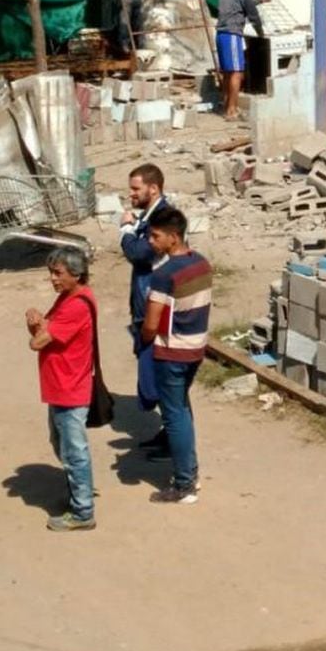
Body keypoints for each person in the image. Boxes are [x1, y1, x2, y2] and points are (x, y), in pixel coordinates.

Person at [140, 208, 212, 505]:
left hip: (172, 351)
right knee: (181, 408)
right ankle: (189, 470)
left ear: (173, 236)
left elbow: (151, 324)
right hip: (196, 346)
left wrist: (144, 340)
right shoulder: (202, 263)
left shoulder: (163, 275)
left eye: (156, 236)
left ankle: (184, 483)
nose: (152, 242)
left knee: (174, 415)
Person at [24, 249, 98, 532]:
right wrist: (38, 324)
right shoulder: (68, 299)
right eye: (52, 272)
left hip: (69, 388)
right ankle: (78, 495)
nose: (52, 278)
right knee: (62, 445)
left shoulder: (76, 305)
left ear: (75, 274)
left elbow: (38, 341)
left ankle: (82, 511)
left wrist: (35, 324)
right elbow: (44, 332)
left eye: (58, 273)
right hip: (61, 386)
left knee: (73, 450)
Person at [120, 164, 172, 453]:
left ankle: (173, 443)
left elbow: (139, 254)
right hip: (147, 306)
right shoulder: (152, 217)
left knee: (160, 379)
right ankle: (168, 433)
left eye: (136, 188)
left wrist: (126, 230)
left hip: (157, 311)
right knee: (158, 379)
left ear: (153, 189)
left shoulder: (162, 220)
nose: (131, 194)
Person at [215, 0, 264, 120]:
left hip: (220, 34)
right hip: (232, 34)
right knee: (237, 73)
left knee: (228, 73)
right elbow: (254, 16)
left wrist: (261, 1)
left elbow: (237, 5)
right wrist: (261, 33)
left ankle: (226, 104)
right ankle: (232, 111)